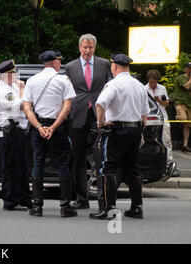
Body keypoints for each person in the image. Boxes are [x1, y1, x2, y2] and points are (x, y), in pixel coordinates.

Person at [90, 53, 150, 220]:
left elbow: (100, 103)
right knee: (133, 169)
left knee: (108, 167)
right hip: (135, 130)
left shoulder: (114, 84)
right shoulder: (139, 85)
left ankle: (109, 209)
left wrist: (100, 123)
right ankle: (137, 207)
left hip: (117, 130)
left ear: (114, 67)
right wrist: (140, 129)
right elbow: (145, 113)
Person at [22, 50, 77, 218]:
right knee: (62, 164)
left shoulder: (32, 80)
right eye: (59, 62)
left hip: (38, 127)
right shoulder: (63, 80)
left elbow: (26, 108)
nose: (60, 64)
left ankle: (37, 206)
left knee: (38, 163)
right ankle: (65, 206)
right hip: (57, 127)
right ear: (54, 63)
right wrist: (53, 127)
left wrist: (39, 127)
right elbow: (66, 108)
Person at [64, 33, 112, 211]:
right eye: (84, 47)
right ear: (79, 47)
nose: (87, 50)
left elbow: (110, 87)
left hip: (98, 116)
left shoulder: (104, 64)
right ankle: (81, 198)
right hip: (77, 117)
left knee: (100, 158)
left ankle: (102, 200)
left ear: (95, 48)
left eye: (90, 47)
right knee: (78, 159)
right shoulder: (69, 67)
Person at [0, 59, 32, 211]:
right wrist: (23, 89)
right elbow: (21, 105)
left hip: (17, 132)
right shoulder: (4, 90)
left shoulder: (12, 86)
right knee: (10, 168)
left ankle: (24, 199)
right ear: (5, 76)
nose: (16, 76)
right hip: (8, 132)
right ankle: (10, 200)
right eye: (12, 73)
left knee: (21, 167)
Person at [145, 70, 179, 175]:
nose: (153, 85)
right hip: (149, 119)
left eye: (155, 82)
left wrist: (159, 101)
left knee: (166, 140)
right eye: (151, 82)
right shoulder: (143, 89)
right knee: (150, 142)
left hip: (162, 117)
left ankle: (169, 164)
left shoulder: (162, 88)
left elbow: (166, 104)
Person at [173, 62, 191, 152]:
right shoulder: (181, 77)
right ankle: (179, 119)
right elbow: (186, 87)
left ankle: (185, 144)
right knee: (183, 119)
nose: (190, 69)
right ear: (185, 68)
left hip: (189, 104)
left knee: (188, 125)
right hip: (181, 103)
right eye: (189, 68)